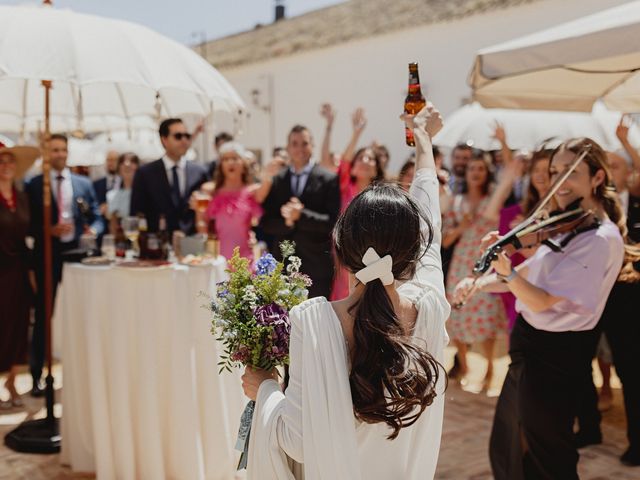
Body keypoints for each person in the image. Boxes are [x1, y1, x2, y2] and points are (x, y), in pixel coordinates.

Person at [241, 103, 449, 479]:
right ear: (413, 253)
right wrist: (423, 141)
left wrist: (266, 388)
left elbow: (298, 441)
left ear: (340, 246)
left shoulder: (315, 319)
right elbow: (429, 216)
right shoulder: (431, 306)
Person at [454, 137, 625, 479]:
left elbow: (541, 299)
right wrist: (480, 283)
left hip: (555, 356)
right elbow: (534, 275)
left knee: (548, 453)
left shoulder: (598, 238)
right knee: (511, 442)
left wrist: (508, 271)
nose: (559, 181)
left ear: (597, 178)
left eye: (571, 172)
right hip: (531, 345)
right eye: (556, 171)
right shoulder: (567, 226)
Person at [26, 134, 103, 396]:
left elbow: (96, 215)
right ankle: (37, 374)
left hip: (78, 256)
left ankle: (82, 373)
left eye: (63, 149)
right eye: (54, 150)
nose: (60, 154)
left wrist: (92, 229)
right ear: (46, 153)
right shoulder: (35, 185)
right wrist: (47, 230)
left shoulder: (83, 183)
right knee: (44, 314)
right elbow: (27, 223)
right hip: (47, 256)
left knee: (82, 313)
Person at [442, 150, 506, 389]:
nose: (476, 173)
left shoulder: (494, 198)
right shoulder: (456, 201)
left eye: (480, 168)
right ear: (466, 173)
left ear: (486, 172)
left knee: (487, 314)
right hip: (461, 262)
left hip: (486, 261)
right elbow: (446, 241)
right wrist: (462, 226)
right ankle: (465, 366)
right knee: (458, 313)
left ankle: (490, 368)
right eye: (472, 168)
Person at [259, 124, 340, 298]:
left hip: (316, 266)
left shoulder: (329, 179)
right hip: (283, 264)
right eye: (294, 144)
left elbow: (333, 223)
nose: (300, 149)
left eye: (304, 143)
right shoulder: (278, 179)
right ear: (288, 147)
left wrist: (301, 216)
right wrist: (287, 222)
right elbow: (266, 222)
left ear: (312, 145)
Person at [319, 104, 385, 300]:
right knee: (344, 295)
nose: (365, 160)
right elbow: (344, 160)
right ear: (353, 167)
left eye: (370, 158)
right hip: (345, 249)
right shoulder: (346, 186)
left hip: (374, 250)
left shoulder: (381, 194)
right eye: (361, 158)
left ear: (376, 169)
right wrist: (356, 133)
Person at [0, 144, 39, 408]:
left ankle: (12, 381)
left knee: (17, 326)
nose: (6, 166)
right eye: (1, 162)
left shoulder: (22, 197)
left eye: (10, 162)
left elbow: (30, 232)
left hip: (18, 270)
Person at [130, 118, 208, 234]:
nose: (184, 140)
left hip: (193, 244)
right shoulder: (145, 173)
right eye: (178, 136)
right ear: (164, 140)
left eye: (187, 136)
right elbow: (137, 213)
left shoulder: (200, 171)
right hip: (157, 244)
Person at [203, 142, 273, 261]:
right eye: (226, 159)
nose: (230, 162)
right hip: (218, 260)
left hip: (245, 259)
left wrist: (270, 171)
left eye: (235, 158)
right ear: (221, 165)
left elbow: (267, 183)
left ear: (243, 163)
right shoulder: (210, 191)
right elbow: (203, 226)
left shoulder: (252, 191)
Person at [106, 152, 139, 221]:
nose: (127, 164)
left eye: (132, 161)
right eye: (122, 161)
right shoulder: (112, 195)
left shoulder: (147, 194)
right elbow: (113, 225)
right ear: (118, 168)